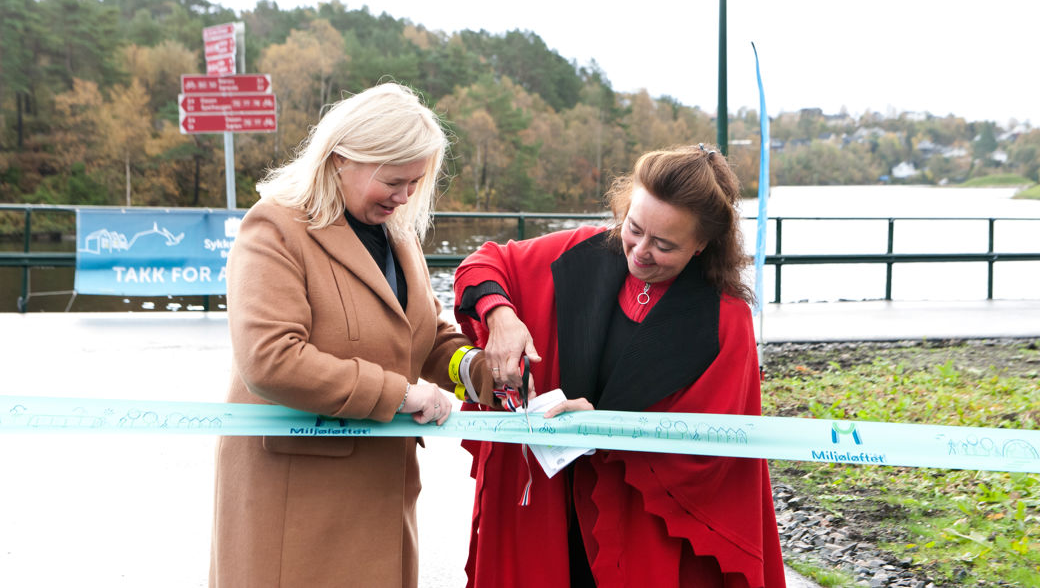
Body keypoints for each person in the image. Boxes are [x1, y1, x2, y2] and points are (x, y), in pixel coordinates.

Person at [453, 144, 786, 588]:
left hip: (642, 528)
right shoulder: (578, 253)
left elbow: (713, 450)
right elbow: (483, 264)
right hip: (545, 514)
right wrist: (501, 315)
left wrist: (608, 429)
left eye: (664, 245)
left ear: (703, 244)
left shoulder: (724, 321)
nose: (640, 252)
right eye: (635, 227)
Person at [210, 82, 497, 588]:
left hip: (380, 493)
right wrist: (401, 394)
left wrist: (478, 371)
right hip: (296, 503)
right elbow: (270, 360)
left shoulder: (398, 235)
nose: (406, 197)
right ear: (343, 158)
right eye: (395, 181)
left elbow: (422, 336)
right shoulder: (273, 228)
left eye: (416, 183)